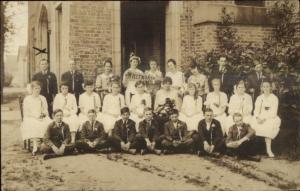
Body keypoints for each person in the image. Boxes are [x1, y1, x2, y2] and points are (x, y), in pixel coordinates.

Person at [20, 81, 52, 156]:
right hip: (30, 117)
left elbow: (45, 110)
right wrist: (36, 116)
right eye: (35, 88)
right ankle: (35, 145)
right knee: (33, 124)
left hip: (41, 117)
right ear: (32, 89)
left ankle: (46, 144)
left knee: (49, 123)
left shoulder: (42, 98)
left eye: (39, 88)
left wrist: (43, 114)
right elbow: (27, 112)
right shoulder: (27, 99)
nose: (37, 90)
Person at [251, 81, 281, 157]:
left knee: (269, 125)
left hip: (270, 117)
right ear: (261, 88)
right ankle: (254, 149)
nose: (266, 88)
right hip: (259, 117)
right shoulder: (259, 98)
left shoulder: (274, 98)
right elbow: (256, 110)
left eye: (267, 86)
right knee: (252, 124)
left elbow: (273, 112)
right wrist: (257, 118)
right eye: (264, 86)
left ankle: (268, 149)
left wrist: (264, 119)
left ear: (270, 87)